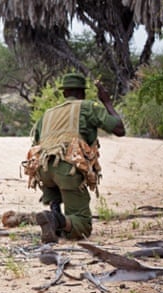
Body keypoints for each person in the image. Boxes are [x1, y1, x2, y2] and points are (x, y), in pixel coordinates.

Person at [28, 72, 125, 243]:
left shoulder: (47, 114)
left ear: (64, 92)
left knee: (55, 180)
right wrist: (107, 102)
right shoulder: (87, 106)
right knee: (82, 226)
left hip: (43, 169)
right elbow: (119, 129)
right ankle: (56, 220)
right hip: (67, 169)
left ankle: (55, 216)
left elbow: (36, 144)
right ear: (82, 93)